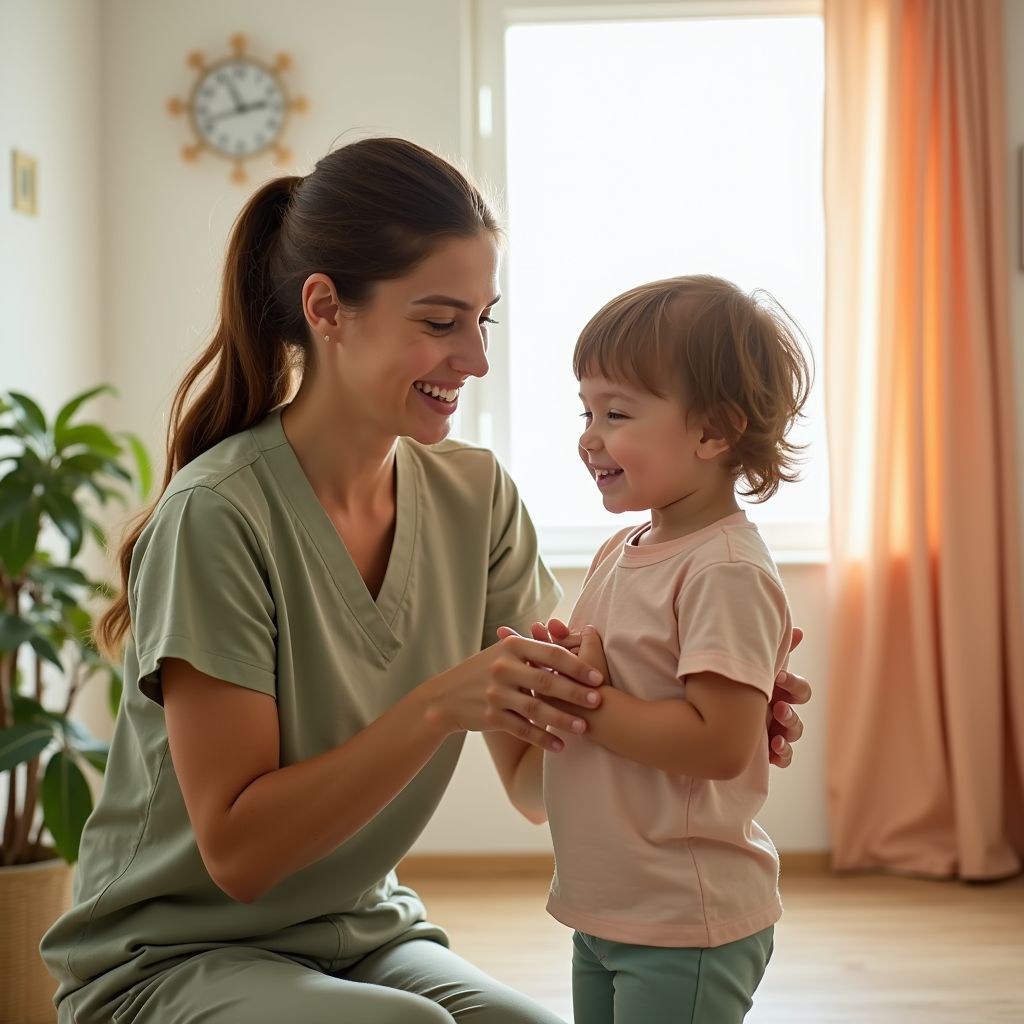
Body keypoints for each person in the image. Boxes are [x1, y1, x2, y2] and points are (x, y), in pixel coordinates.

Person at [41, 139, 810, 1024]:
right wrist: (441, 705)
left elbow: (534, 782)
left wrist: (682, 703)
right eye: (441, 322)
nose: (476, 359)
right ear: (327, 308)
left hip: (362, 934)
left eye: (483, 320)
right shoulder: (218, 514)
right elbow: (240, 857)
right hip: (172, 956)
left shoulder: (475, 497)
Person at [493, 275, 811, 1024]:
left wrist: (585, 701)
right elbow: (612, 680)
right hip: (609, 909)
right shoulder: (622, 548)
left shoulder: (723, 568)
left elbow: (722, 743)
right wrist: (557, 670)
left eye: (617, 412)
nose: (588, 435)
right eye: (586, 409)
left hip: (683, 920)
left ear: (712, 431)